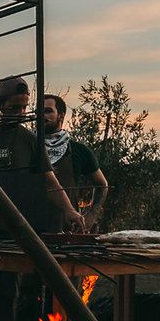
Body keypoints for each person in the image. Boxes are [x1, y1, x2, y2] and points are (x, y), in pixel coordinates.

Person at [0, 77, 85, 321]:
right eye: (14, 108)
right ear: (0, 105)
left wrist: (71, 212)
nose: (19, 114)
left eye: (23, 108)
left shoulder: (29, 141)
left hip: (10, 234)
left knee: (7, 296)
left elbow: (51, 183)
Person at [40, 92, 110, 230]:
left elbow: (102, 185)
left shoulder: (78, 150)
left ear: (61, 115)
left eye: (48, 111)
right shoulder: (28, 146)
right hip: (29, 228)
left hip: (66, 230)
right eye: (39, 111)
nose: (42, 116)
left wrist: (91, 217)